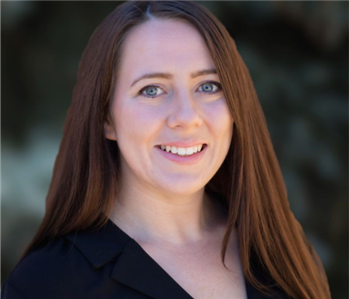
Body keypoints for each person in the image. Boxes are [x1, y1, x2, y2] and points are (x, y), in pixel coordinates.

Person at [1, 0, 331, 298]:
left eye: (208, 86)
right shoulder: (47, 285)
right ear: (106, 118)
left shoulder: (280, 253)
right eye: (152, 90)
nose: (186, 117)